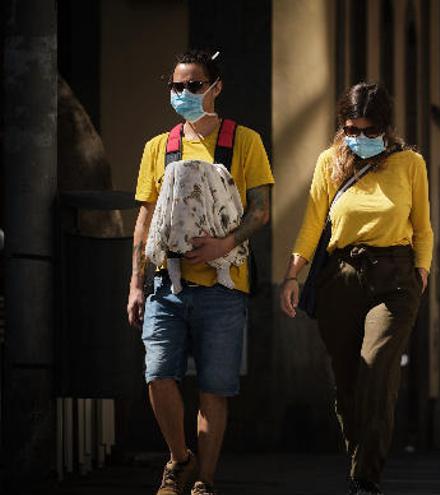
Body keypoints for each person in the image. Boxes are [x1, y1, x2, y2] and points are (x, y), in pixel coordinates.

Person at [126, 49, 274, 495]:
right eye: (177, 86)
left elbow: (261, 210)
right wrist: (135, 283)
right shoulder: (159, 147)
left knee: (215, 388)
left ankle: (204, 480)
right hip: (164, 285)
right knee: (158, 374)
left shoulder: (244, 141)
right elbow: (145, 220)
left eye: (193, 85)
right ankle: (178, 458)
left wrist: (223, 245)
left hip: (224, 288)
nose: (184, 93)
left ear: (216, 87)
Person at [279, 82, 432, 495]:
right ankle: (358, 461)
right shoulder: (330, 161)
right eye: (352, 130)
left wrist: (420, 271)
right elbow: (312, 223)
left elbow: (423, 227)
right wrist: (292, 275)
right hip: (341, 278)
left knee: (376, 367)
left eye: (369, 130)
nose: (360, 138)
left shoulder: (410, 164)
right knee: (347, 382)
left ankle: (367, 477)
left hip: (395, 278)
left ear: (385, 127)